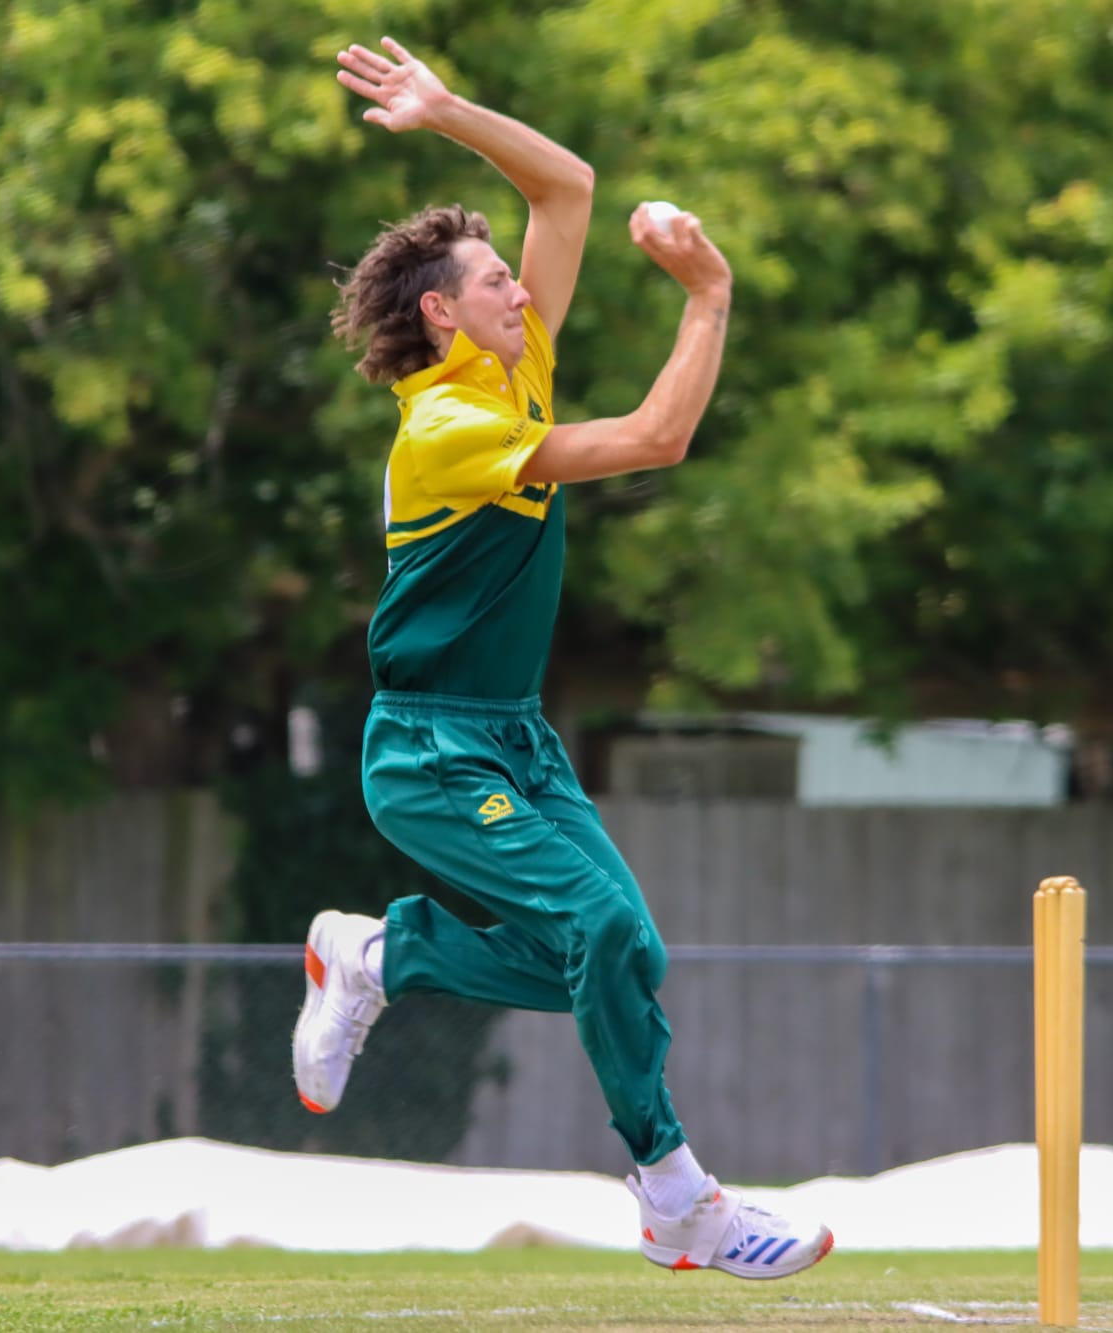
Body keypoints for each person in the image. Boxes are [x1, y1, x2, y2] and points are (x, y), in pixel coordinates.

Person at [291, 36, 834, 1281]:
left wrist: (442, 110)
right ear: (442, 313)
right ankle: (676, 1197)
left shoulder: (511, 365)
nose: (520, 292)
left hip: (511, 733)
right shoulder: (447, 421)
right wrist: (706, 297)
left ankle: (382, 955)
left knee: (623, 951)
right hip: (429, 744)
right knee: (600, 926)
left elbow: (567, 186)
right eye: (494, 282)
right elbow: (655, 437)